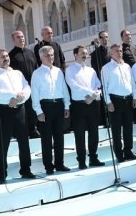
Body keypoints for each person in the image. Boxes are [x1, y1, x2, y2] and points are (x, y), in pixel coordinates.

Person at [0, 49, 34, 182]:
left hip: (20, 109)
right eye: (2, 57)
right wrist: (14, 97)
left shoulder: (18, 73)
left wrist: (20, 99)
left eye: (7, 56)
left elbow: (27, 88)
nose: (6, 58)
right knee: (3, 143)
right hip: (4, 110)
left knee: (23, 141)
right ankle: (1, 175)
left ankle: (26, 170)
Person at [31, 46, 71, 174]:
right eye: (48, 55)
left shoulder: (59, 71)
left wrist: (66, 105)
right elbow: (34, 94)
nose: (51, 57)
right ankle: (48, 166)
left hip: (58, 105)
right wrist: (38, 111)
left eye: (52, 55)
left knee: (59, 137)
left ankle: (60, 164)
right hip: (45, 107)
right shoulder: (36, 73)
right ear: (41, 57)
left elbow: (64, 88)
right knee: (46, 138)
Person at [65, 45, 105, 169]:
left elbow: (99, 85)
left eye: (86, 53)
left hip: (93, 104)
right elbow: (74, 86)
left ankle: (93, 157)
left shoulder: (91, 70)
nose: (85, 55)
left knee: (94, 132)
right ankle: (81, 161)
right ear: (75, 55)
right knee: (80, 134)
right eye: (82, 53)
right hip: (79, 105)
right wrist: (90, 94)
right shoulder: (70, 70)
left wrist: (93, 96)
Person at [101, 44, 136, 162]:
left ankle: (128, 151)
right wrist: (108, 102)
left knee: (128, 128)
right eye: (116, 51)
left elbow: (132, 82)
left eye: (120, 50)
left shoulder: (127, 66)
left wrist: (135, 97)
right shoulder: (106, 68)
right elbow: (104, 87)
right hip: (115, 101)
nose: (119, 53)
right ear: (111, 54)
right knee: (116, 130)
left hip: (127, 99)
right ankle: (119, 154)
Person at [9, 30, 41, 138]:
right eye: (18, 37)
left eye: (22, 36)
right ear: (13, 40)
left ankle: (33, 129)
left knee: (33, 108)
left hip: (32, 86)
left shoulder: (30, 53)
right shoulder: (11, 56)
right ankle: (22, 131)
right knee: (22, 110)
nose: (21, 39)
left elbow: (36, 68)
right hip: (20, 88)